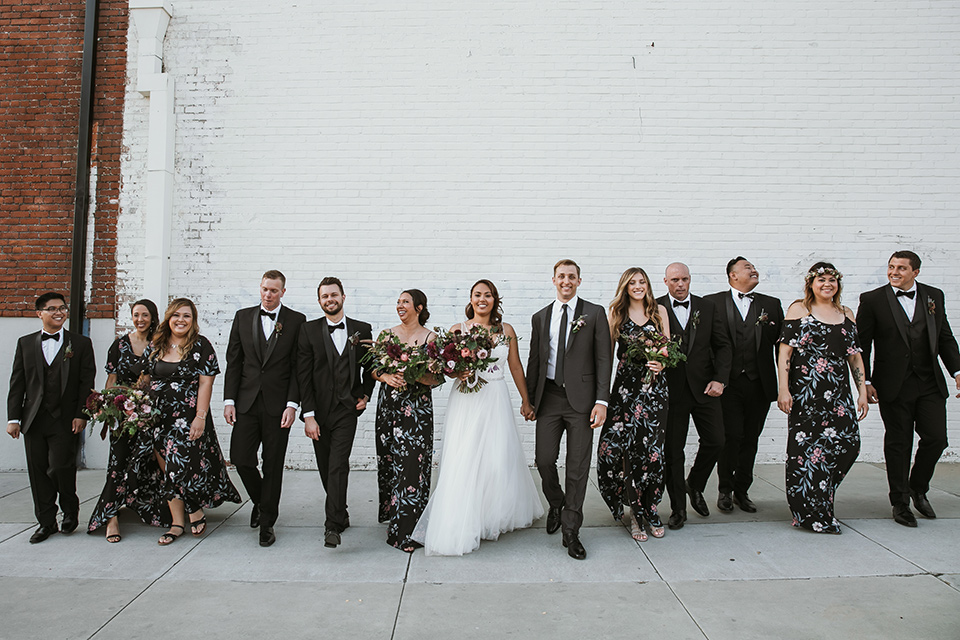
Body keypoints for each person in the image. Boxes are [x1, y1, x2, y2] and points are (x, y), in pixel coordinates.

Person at [412, 279, 543, 555]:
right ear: (470, 299)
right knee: (466, 457)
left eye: (488, 295)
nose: (482, 299)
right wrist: (456, 371)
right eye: (477, 295)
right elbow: (443, 367)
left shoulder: (506, 330)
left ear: (495, 300)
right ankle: (465, 518)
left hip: (495, 398)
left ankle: (489, 517)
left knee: (496, 460)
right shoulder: (457, 330)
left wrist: (526, 400)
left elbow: (516, 366)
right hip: (467, 399)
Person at [856, 250, 960, 527]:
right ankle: (900, 502)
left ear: (916, 272)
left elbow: (945, 337)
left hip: (929, 382)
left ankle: (918, 487)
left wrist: (958, 371)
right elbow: (862, 345)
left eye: (901, 268)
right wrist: (864, 382)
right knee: (899, 444)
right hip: (893, 385)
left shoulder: (933, 296)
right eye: (891, 267)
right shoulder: (873, 300)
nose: (894, 272)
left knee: (937, 438)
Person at [526, 260, 612, 560]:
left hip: (583, 402)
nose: (566, 281)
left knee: (577, 467)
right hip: (548, 399)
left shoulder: (595, 313)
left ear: (579, 281)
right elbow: (535, 361)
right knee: (544, 459)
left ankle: (571, 529)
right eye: (561, 276)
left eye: (571, 277)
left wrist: (602, 401)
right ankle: (556, 501)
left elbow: (604, 359)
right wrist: (529, 400)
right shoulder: (540, 317)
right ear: (553, 280)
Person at [777, 262, 868, 534]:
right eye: (821, 280)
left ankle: (820, 498)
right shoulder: (799, 310)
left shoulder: (846, 313)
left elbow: (855, 356)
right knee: (807, 455)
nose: (827, 284)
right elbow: (785, 353)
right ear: (811, 284)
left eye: (832, 280)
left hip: (839, 395)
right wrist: (783, 389)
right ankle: (810, 513)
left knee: (848, 445)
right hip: (807, 393)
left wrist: (862, 390)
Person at [146, 298, 241, 545]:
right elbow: (145, 379)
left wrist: (200, 417)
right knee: (168, 470)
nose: (181, 320)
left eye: (187, 316)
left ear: (193, 320)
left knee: (179, 468)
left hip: (188, 419)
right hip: (158, 419)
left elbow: (205, 383)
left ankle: (194, 509)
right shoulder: (156, 345)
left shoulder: (201, 345)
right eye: (176, 315)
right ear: (168, 317)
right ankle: (178, 522)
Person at [223, 270, 306, 547]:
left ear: (283, 291)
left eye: (274, 290)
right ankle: (261, 501)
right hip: (245, 402)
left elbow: (298, 368)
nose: (268, 295)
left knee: (273, 464)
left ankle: (267, 522)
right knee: (240, 457)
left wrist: (293, 404)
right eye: (264, 289)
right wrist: (229, 400)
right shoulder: (243, 317)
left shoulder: (296, 321)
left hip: (278, 405)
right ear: (260, 289)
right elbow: (234, 361)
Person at [6, 292, 96, 544]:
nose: (59, 312)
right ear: (40, 313)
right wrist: (14, 418)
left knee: (59, 466)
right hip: (34, 418)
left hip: (65, 419)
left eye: (62, 308)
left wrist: (82, 415)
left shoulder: (80, 344)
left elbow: (85, 383)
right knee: (38, 472)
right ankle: (46, 522)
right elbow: (18, 383)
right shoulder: (25, 343)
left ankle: (69, 508)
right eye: (52, 308)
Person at [297, 277, 375, 549]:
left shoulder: (361, 329)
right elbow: (303, 376)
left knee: (338, 464)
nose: (329, 300)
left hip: (346, 410)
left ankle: (332, 526)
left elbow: (370, 367)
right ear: (319, 301)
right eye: (324, 297)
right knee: (325, 466)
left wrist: (365, 394)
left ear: (343, 296)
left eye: (333, 295)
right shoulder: (307, 331)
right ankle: (340, 512)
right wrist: (308, 415)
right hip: (317, 412)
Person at [704, 257, 784, 514]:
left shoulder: (771, 304)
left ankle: (742, 491)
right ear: (732, 275)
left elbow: (783, 346)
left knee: (751, 438)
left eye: (754, 266)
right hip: (727, 385)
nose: (753, 269)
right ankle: (724, 489)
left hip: (759, 383)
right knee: (731, 437)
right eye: (747, 267)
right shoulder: (712, 303)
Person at [87, 299, 170, 541]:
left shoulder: (161, 345)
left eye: (145, 315)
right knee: (118, 463)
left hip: (151, 413)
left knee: (150, 463)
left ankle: (150, 507)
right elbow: (111, 380)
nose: (140, 319)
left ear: (153, 317)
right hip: (123, 414)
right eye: (136, 315)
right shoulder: (119, 345)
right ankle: (111, 517)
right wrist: (104, 407)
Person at [657, 263, 732, 530]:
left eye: (685, 279)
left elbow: (723, 346)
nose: (680, 284)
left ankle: (695, 484)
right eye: (675, 279)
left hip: (705, 388)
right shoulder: (655, 307)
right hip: (671, 391)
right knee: (673, 452)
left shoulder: (708, 307)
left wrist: (720, 379)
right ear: (665, 281)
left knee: (717, 440)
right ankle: (678, 508)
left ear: (690, 280)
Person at [597, 267, 670, 541]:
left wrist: (661, 362)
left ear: (647, 285)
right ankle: (632, 511)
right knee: (617, 451)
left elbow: (669, 347)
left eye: (641, 282)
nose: (638, 286)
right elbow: (605, 355)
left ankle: (649, 511)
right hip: (625, 391)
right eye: (632, 283)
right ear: (625, 287)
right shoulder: (615, 313)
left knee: (651, 453)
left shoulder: (659, 311)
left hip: (654, 390)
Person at [372, 289, 437, 552]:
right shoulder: (386, 335)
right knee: (390, 461)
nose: (400, 306)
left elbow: (437, 378)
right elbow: (374, 367)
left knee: (412, 466)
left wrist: (415, 375)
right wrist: (386, 377)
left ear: (419, 308)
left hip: (417, 412)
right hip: (388, 407)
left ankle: (406, 530)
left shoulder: (431, 338)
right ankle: (393, 515)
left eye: (405, 302)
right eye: (398, 302)